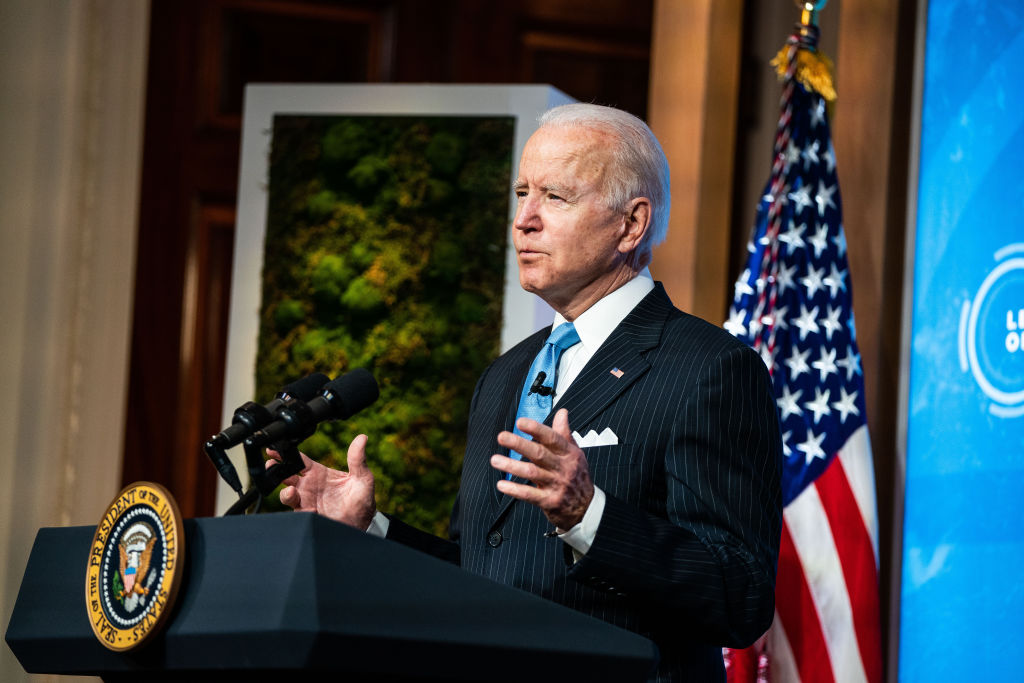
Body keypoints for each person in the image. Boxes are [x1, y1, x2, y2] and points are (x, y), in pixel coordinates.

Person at [270, 103, 783, 682]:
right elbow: (479, 576)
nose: (524, 219)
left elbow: (740, 596)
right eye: (522, 192)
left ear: (631, 224)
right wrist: (371, 529)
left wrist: (590, 516)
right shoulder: (506, 373)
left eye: (555, 197)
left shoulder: (710, 368)